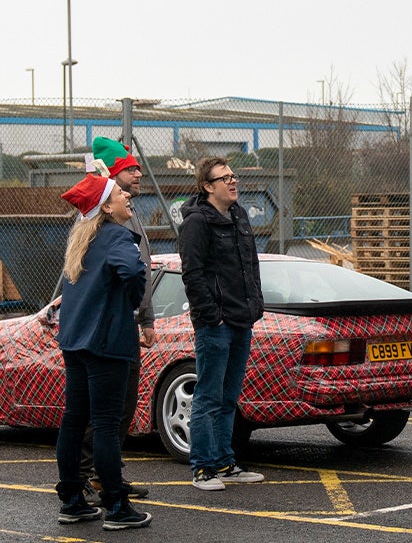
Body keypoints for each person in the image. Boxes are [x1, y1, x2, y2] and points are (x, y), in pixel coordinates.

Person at [54, 173, 153, 531]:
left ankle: (72, 500)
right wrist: (131, 301)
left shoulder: (83, 239)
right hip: (107, 343)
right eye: (119, 193)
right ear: (106, 207)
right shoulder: (116, 236)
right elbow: (132, 272)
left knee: (74, 419)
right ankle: (116, 505)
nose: (128, 196)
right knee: (108, 426)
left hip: (75, 341)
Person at [177, 156, 265, 491]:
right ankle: (203, 468)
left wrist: (254, 305)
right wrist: (213, 315)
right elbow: (193, 274)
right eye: (224, 178)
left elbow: (250, 265)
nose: (233, 181)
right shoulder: (197, 222)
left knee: (229, 396)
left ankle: (226, 463)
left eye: (233, 176)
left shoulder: (239, 215)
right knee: (209, 396)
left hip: (242, 320)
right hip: (216, 324)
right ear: (207, 186)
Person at [80, 138, 155, 505]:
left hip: (125, 323)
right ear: (112, 177)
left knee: (122, 406)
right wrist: (132, 307)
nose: (138, 174)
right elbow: (128, 272)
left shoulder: (129, 212)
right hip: (104, 329)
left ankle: (106, 475)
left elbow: (143, 268)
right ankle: (87, 477)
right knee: (99, 410)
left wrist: (146, 319)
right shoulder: (95, 222)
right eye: (130, 169)